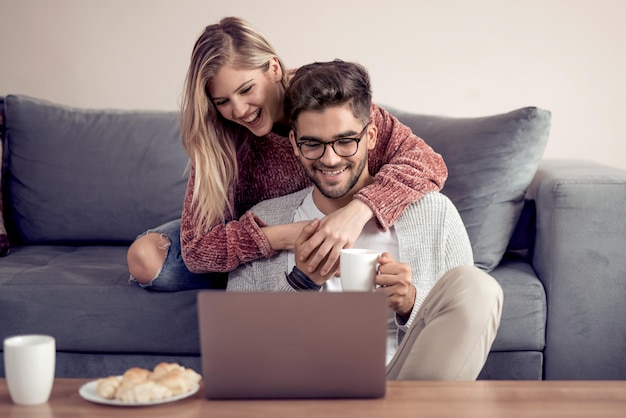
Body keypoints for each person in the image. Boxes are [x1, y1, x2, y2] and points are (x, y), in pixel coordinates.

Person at [227, 59, 503, 380]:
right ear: (294, 144)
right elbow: (237, 343)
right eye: (312, 144)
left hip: (404, 386)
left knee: (478, 287)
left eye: (346, 141)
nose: (330, 160)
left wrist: (410, 304)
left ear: (371, 136)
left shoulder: (433, 213)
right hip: (304, 388)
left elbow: (461, 330)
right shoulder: (265, 220)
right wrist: (300, 283)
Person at [127, 17, 448, 291]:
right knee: (145, 257)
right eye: (222, 101)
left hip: (340, 222)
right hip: (264, 233)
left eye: (246, 89)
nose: (238, 110)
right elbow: (197, 250)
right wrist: (284, 237)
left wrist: (359, 211)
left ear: (274, 68)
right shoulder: (219, 136)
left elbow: (428, 163)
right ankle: (247, 278)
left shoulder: (324, 96)